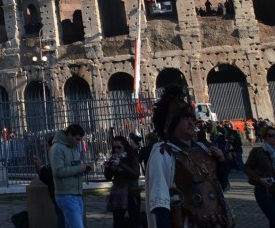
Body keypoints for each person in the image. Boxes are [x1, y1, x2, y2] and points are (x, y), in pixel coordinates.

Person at [145, 85, 229, 228]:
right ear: (171, 123)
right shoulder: (163, 153)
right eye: (185, 119)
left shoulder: (204, 149)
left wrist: (221, 162)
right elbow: (160, 199)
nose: (192, 122)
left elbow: (221, 185)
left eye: (192, 118)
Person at [50, 124, 93, 228]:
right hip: (66, 194)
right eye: (77, 139)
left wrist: (84, 169)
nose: (78, 142)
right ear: (69, 135)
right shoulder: (57, 148)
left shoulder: (73, 148)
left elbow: (73, 167)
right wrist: (80, 168)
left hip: (76, 193)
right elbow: (58, 171)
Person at [104, 136, 140, 228]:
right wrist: (108, 167)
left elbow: (135, 174)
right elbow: (108, 177)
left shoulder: (132, 156)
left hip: (131, 192)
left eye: (119, 147)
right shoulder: (113, 157)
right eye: (114, 147)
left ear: (124, 146)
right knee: (117, 222)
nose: (116, 149)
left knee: (134, 220)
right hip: (119, 192)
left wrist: (121, 164)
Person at [244, 124, 275, 227]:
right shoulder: (258, 152)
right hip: (264, 191)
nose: (274, 138)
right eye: (270, 135)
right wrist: (260, 179)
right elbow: (246, 168)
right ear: (265, 137)